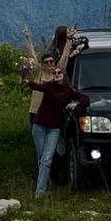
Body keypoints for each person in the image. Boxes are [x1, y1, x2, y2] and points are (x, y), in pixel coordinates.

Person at [25, 67, 89, 198]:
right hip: (39, 126)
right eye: (54, 73)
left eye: (59, 72)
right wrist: (27, 81)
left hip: (54, 128)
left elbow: (86, 99)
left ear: (64, 75)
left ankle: (39, 192)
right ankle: (45, 187)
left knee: (47, 158)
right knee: (42, 158)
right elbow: (37, 86)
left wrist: (75, 103)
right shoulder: (49, 86)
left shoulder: (68, 91)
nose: (56, 74)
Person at [22, 25, 74, 130]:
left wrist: (69, 39)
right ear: (42, 63)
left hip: (53, 112)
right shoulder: (38, 72)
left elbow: (65, 55)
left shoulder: (58, 73)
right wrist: (27, 38)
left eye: (51, 61)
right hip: (36, 111)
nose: (49, 63)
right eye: (46, 62)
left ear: (54, 62)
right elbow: (32, 55)